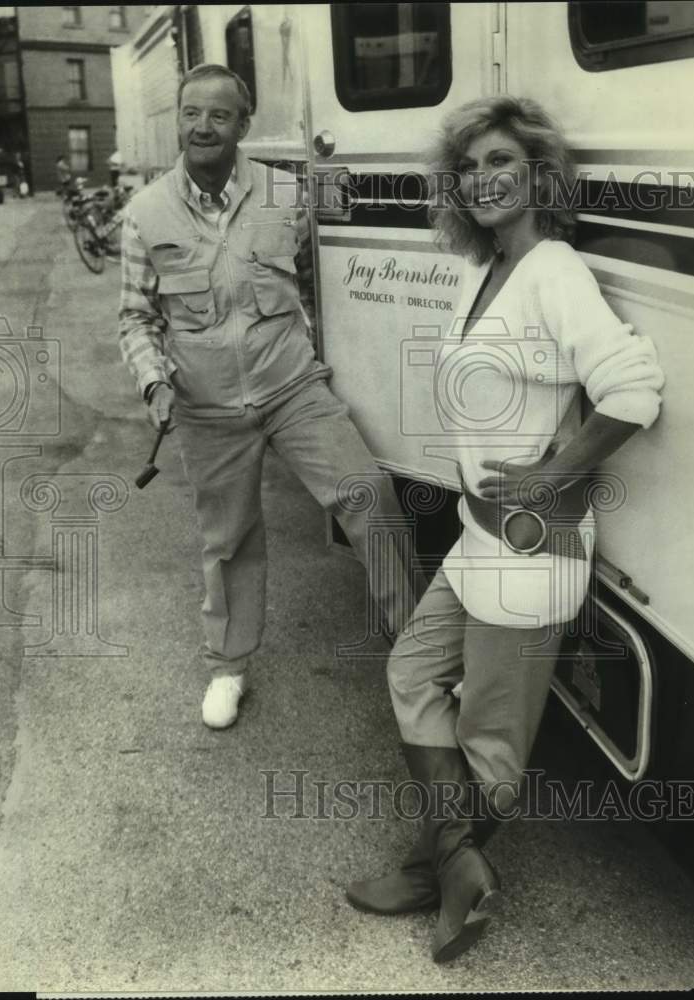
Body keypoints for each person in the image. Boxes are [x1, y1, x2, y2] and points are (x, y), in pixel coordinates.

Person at [345, 96, 665, 963]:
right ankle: (455, 867)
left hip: (530, 551)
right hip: (478, 538)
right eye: (470, 167)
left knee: (489, 740)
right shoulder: (484, 267)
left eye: (500, 163)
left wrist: (548, 476)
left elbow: (633, 391)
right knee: (411, 667)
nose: (482, 179)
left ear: (537, 175)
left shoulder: (554, 268)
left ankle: (438, 875)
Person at [119, 64, 417, 731]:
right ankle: (229, 667)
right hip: (205, 405)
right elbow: (136, 317)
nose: (202, 126)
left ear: (242, 125)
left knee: (368, 493)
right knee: (229, 540)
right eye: (191, 112)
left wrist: (322, 353)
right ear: (178, 117)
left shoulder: (286, 194)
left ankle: (417, 655)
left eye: (218, 115)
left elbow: (318, 282)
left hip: (291, 387)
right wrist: (153, 381)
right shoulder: (144, 213)